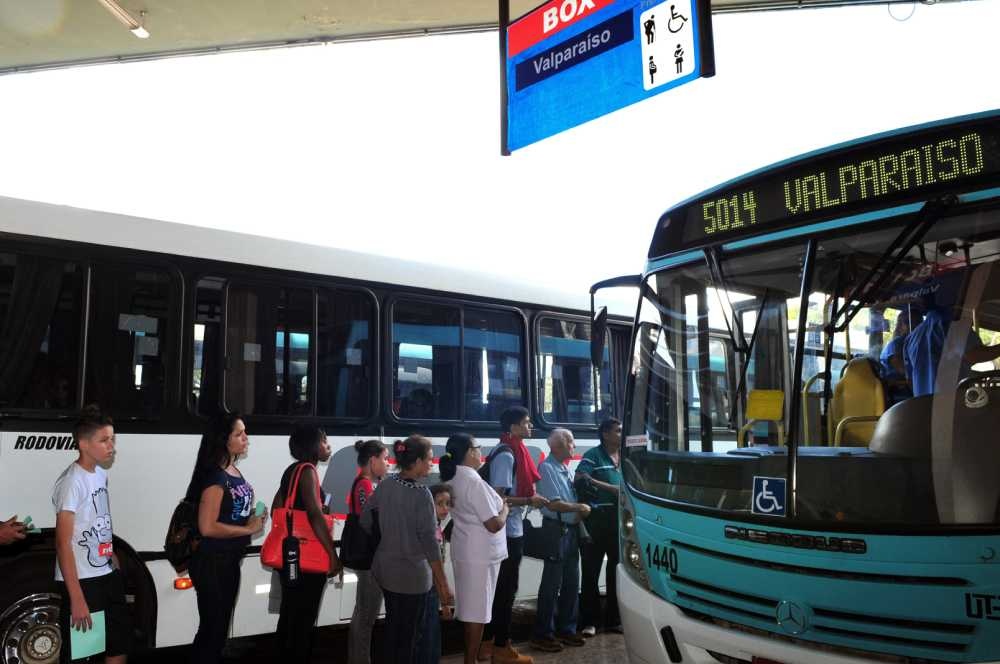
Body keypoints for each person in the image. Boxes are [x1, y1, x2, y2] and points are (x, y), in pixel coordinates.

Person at [361, 435, 454, 664]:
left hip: (385, 571)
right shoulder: (422, 494)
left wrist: (387, 538)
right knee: (409, 638)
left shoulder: (386, 484)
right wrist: (443, 584)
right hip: (412, 579)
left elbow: (365, 518)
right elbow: (430, 544)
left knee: (393, 631)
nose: (432, 463)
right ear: (417, 461)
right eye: (429, 459)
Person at [185, 413, 267, 664]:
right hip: (212, 561)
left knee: (218, 629)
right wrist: (249, 529)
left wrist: (253, 517)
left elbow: (229, 514)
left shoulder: (232, 470)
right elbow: (207, 527)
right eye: (239, 434)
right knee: (212, 629)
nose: (246, 438)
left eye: (245, 433)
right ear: (223, 440)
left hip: (229, 559)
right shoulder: (215, 477)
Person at [52, 405, 130, 664]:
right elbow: (63, 544)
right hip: (84, 582)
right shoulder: (71, 482)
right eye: (104, 440)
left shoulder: (100, 474)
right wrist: (77, 599)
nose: (111, 446)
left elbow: (98, 520)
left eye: (113, 439)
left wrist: (110, 554)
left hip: (107, 574)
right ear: (84, 444)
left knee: (118, 644)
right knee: (83, 652)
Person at [480, 406, 548, 664]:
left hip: (510, 530)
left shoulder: (511, 449)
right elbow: (499, 499)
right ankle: (501, 647)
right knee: (506, 591)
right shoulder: (507, 455)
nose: (531, 426)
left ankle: (487, 645)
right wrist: (530, 500)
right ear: (513, 427)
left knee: (501, 590)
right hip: (508, 533)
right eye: (527, 422)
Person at [271, 425, 342, 662]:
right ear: (313, 445)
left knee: (289, 616)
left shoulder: (291, 470)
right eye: (324, 440)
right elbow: (313, 515)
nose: (328, 445)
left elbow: (276, 509)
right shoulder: (309, 470)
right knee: (303, 622)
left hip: (289, 555)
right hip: (307, 560)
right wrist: (332, 556)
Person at [439, 434, 508, 664]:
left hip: (466, 550)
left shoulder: (454, 477)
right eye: (478, 448)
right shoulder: (473, 481)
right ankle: (470, 660)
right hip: (480, 556)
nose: (481, 452)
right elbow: (493, 524)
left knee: (470, 610)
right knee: (477, 613)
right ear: (470, 452)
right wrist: (505, 509)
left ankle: (470, 659)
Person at [529, 429, 590, 653]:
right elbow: (553, 504)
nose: (574, 445)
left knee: (572, 583)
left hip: (570, 531)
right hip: (556, 530)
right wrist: (579, 507)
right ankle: (543, 634)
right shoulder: (547, 468)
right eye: (571, 442)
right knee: (551, 584)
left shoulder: (563, 468)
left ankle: (566, 629)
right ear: (558, 446)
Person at [575, 417, 623, 637]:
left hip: (619, 525)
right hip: (595, 524)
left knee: (616, 574)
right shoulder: (593, 455)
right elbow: (580, 477)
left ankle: (614, 620)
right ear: (605, 434)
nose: (621, 434)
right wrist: (608, 487)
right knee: (590, 574)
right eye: (618, 431)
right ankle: (589, 622)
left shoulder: (625, 456)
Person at [347, 439, 389, 664]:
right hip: (370, 558)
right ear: (372, 460)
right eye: (384, 458)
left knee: (363, 613)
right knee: (366, 616)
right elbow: (371, 521)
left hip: (370, 557)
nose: (388, 463)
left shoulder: (368, 483)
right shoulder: (365, 485)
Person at [418, 483, 455, 664]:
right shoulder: (428, 529)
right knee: (426, 638)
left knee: (431, 637)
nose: (445, 508)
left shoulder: (437, 527)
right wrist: (444, 596)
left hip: (433, 591)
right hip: (425, 590)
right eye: (439, 503)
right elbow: (432, 566)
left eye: (448, 504)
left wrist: (443, 602)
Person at [879, 310, 920, 405]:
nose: (919, 326)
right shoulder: (897, 344)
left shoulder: (914, 343)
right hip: (896, 394)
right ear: (903, 325)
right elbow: (903, 370)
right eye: (916, 322)